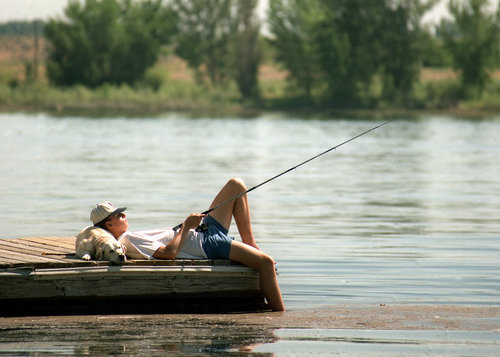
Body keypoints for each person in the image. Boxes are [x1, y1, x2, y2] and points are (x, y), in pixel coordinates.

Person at [90, 178, 285, 311]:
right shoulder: (128, 239)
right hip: (207, 243)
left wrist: (190, 226)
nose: (125, 216)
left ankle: (250, 243)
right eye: (120, 215)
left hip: (204, 230)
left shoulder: (128, 237)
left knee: (236, 185)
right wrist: (186, 225)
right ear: (109, 224)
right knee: (266, 263)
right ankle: (281, 316)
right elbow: (168, 254)